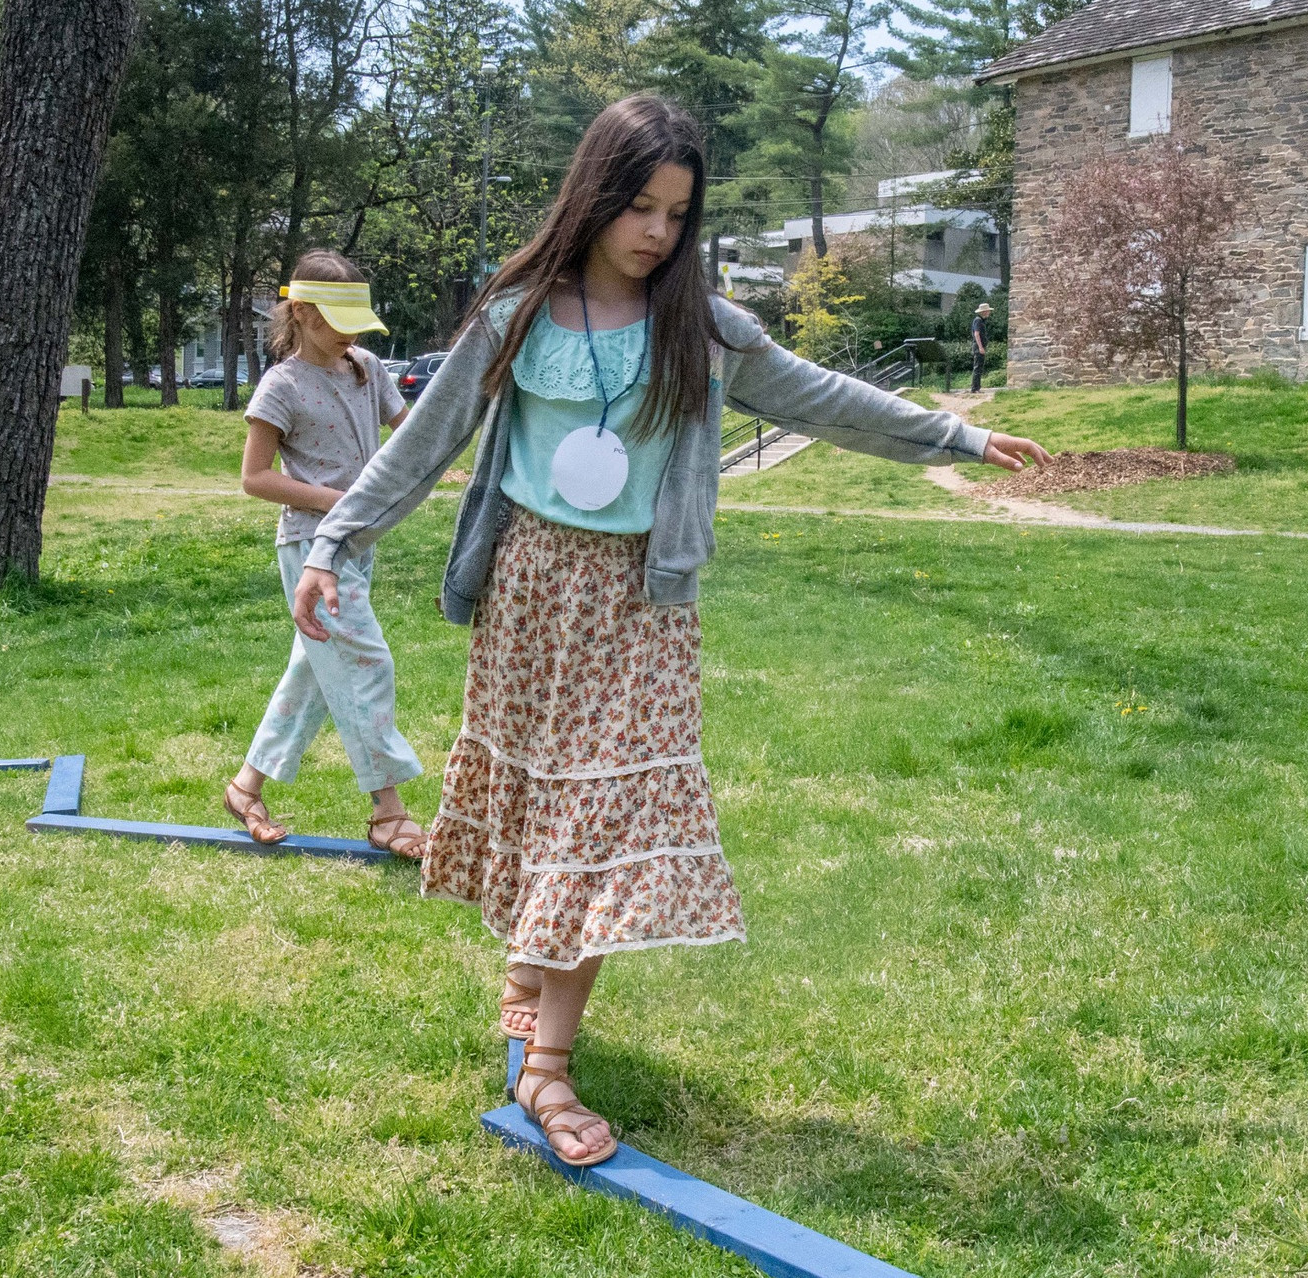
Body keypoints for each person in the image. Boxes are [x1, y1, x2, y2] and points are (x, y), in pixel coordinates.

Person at [292, 95, 1048, 1166]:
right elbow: (422, 441)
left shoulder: (701, 326)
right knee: (546, 810)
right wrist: (335, 545)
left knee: (602, 825)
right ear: (594, 197)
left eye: (677, 215)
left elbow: (822, 399)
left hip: (640, 607)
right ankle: (534, 966)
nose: (656, 232)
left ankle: (548, 1066)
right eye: (639, 206)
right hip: (531, 598)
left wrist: (957, 435)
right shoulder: (516, 312)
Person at [221, 249, 429, 858]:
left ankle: (244, 788)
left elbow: (410, 433)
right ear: (304, 312)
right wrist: (338, 498)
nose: (354, 332)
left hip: (359, 544)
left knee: (313, 673)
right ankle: (388, 812)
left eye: (359, 318)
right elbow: (255, 478)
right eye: (340, 318)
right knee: (366, 663)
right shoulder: (280, 385)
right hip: (311, 547)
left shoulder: (366, 366)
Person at [971, 301, 993, 393]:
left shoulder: (980, 320)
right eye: (987, 311)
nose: (989, 312)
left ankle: (977, 387)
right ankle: (975, 388)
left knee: (979, 367)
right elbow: (977, 334)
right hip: (978, 346)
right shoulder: (978, 320)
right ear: (983, 312)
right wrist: (980, 347)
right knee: (977, 367)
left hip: (980, 346)